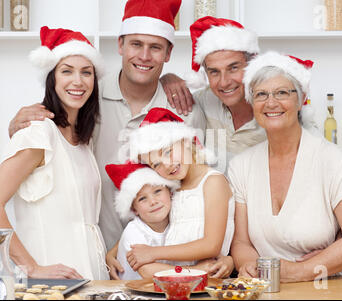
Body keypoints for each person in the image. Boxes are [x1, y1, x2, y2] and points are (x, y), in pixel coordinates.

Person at [7, 0, 206, 258]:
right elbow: (50, 139)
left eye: (155, 47)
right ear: (120, 45)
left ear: (168, 53)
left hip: (166, 262)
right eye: (136, 44)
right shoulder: (86, 101)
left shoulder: (185, 111)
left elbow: (198, 190)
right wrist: (16, 126)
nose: (144, 56)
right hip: (95, 259)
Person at [0, 26, 109, 280]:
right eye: (66, 71)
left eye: (86, 72)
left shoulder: (82, 140)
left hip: (89, 279)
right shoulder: (38, 133)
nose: (78, 81)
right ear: (52, 78)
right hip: (50, 284)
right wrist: (31, 267)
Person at [228, 51, 342, 282]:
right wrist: (251, 267)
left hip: (323, 290)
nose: (271, 103)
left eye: (282, 92)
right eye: (261, 94)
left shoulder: (332, 160)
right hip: (264, 290)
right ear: (252, 104)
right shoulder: (240, 166)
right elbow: (241, 242)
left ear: (301, 99)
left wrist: (302, 270)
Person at [162, 16, 319, 175]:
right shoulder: (202, 102)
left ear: (251, 65)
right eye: (214, 72)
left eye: (233, 68)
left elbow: (320, 159)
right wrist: (166, 79)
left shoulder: (276, 110)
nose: (224, 82)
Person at [123, 108, 234, 274]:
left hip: (209, 279)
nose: (166, 164)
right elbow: (153, 223)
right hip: (179, 281)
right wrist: (114, 250)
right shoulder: (174, 190)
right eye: (156, 164)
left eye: (168, 152)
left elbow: (211, 245)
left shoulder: (212, 182)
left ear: (186, 141)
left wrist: (152, 253)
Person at [105, 162, 233, 280]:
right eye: (142, 199)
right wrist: (196, 271)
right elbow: (148, 271)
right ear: (134, 209)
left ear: (170, 193)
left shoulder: (175, 221)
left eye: (157, 191)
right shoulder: (133, 232)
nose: (153, 201)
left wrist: (228, 260)